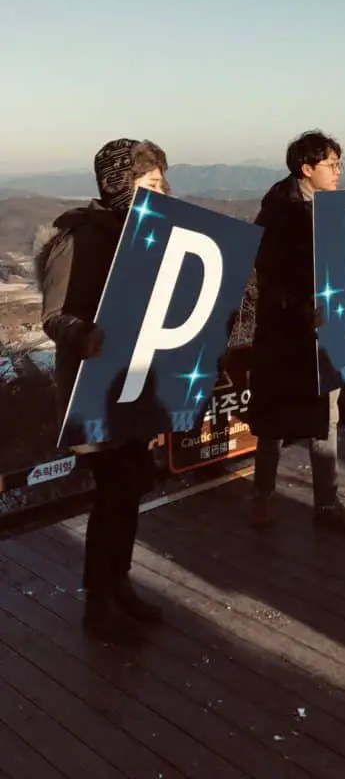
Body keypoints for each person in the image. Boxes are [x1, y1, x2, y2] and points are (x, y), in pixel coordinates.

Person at [37, 138, 168, 642]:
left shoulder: (148, 235)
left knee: (130, 490)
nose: (157, 191)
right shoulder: (80, 237)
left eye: (160, 182)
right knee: (113, 495)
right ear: (118, 184)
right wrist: (82, 334)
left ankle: (119, 585)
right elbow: (53, 315)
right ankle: (99, 603)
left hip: (136, 385)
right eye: (147, 183)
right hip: (96, 391)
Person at [248, 130, 345, 534]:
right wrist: (300, 312)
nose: (337, 172)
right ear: (306, 169)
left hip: (322, 333)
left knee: (325, 418)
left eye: (338, 164)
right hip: (285, 336)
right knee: (274, 423)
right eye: (330, 165)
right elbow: (270, 278)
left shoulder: (329, 209)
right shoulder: (277, 214)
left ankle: (327, 504)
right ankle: (262, 496)